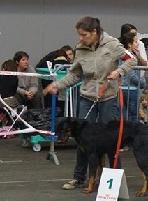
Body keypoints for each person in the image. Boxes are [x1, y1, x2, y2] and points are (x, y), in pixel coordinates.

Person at [43, 16, 137, 190]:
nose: (80, 38)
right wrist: (57, 84)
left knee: (111, 141)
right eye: (79, 35)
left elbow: (132, 59)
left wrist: (119, 72)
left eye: (84, 34)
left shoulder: (112, 44)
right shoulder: (80, 49)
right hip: (87, 98)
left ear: (95, 32)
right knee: (83, 141)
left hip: (108, 98)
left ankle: (114, 182)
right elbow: (74, 74)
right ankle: (79, 178)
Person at [118, 25, 148, 123]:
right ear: (130, 44)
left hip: (124, 88)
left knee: (124, 115)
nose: (137, 43)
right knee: (133, 116)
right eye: (135, 42)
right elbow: (132, 74)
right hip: (130, 89)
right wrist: (142, 83)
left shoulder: (125, 54)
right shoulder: (128, 56)